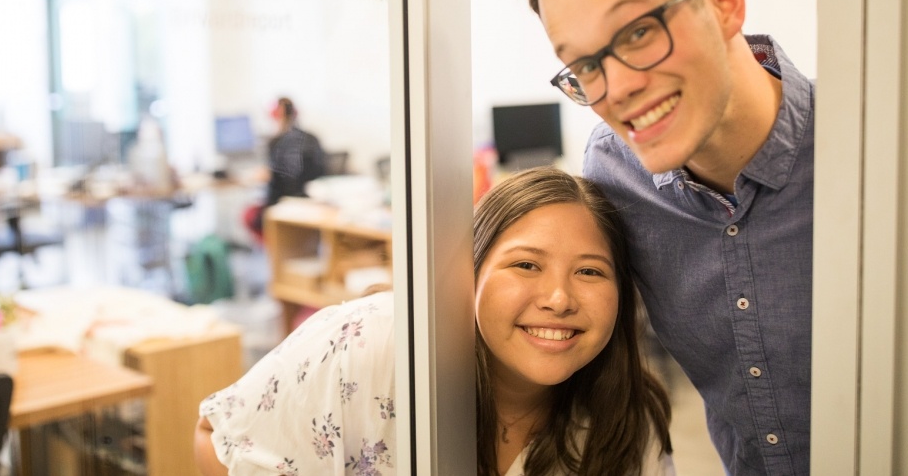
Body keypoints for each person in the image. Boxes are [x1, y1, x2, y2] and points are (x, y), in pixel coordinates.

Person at [519, 0, 908, 475]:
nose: (617, 88)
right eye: (584, 66)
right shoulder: (615, 173)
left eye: (637, 33)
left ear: (725, 5)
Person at [196, 166, 675, 475]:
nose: (558, 298)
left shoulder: (626, 420)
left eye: (590, 272)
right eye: (526, 264)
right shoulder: (373, 343)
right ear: (470, 273)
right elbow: (218, 439)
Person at [247, 97, 326, 236]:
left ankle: (273, 250)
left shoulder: (275, 142)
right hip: (313, 201)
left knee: (249, 215)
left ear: (277, 116)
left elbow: (273, 182)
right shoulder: (312, 138)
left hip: (285, 204)